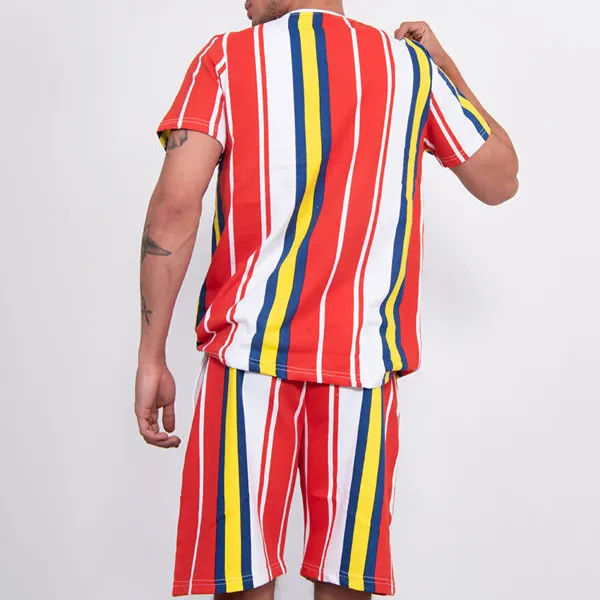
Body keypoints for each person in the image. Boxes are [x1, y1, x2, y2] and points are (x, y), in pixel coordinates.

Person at [134, 1, 519, 598]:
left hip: (247, 359)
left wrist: (151, 355)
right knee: (347, 580)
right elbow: (501, 180)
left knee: (238, 575)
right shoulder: (410, 68)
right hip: (361, 365)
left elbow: (175, 206)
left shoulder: (227, 59)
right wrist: (442, 67)